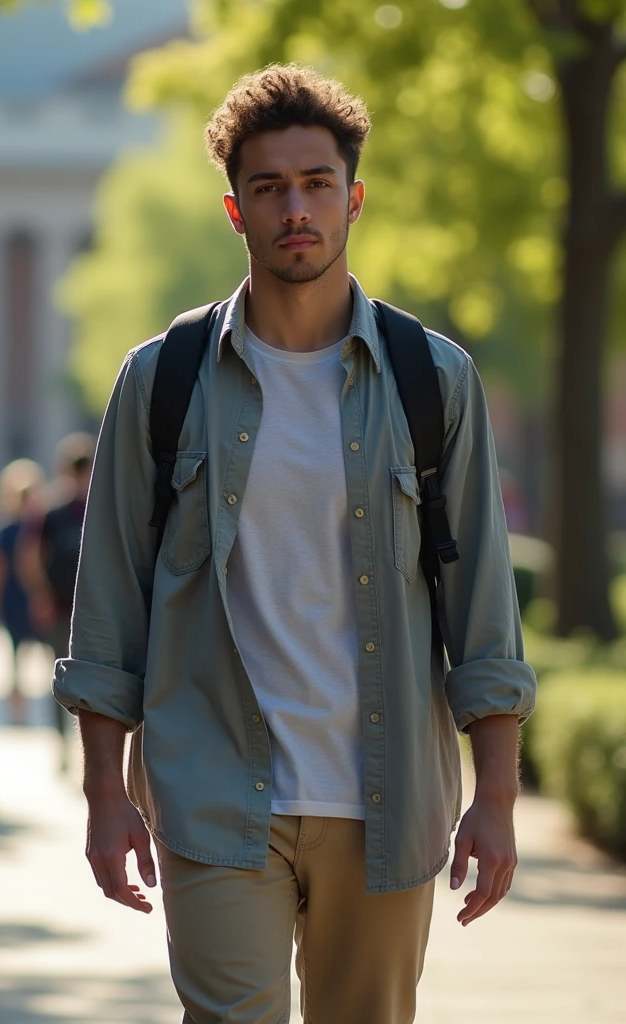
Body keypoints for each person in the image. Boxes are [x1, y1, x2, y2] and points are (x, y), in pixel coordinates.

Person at [53, 66, 537, 1024]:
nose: (296, 209)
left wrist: (498, 797)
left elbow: (484, 603)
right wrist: (104, 797)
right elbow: (108, 603)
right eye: (270, 189)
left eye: (317, 184)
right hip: (214, 793)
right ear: (237, 211)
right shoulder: (163, 380)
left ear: (352, 198)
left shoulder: (433, 380)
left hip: (388, 797)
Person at [19, 433, 94, 768]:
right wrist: (41, 595)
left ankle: (85, 744)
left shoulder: (100, 507)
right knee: (60, 676)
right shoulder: (53, 511)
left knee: (91, 680)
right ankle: (61, 741)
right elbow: (31, 556)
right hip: (62, 606)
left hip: (93, 610)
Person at [0, 459, 46, 725]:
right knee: (28, 654)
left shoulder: (3, 526)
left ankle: (18, 708)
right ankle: (22, 707)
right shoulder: (35, 527)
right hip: (27, 594)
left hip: (13, 595)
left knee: (16, 655)